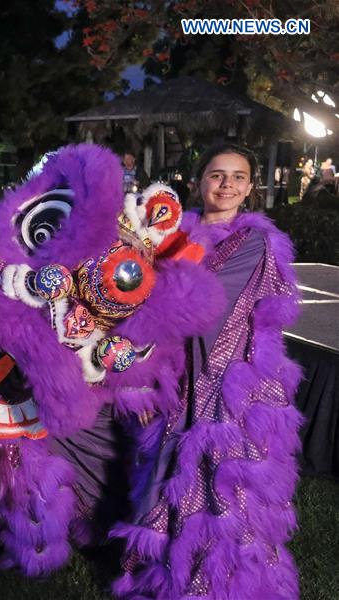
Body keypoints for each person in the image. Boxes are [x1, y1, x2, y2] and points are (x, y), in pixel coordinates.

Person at [114, 143, 303, 599]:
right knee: (167, 478)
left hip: (229, 383)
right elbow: (138, 309)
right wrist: (140, 380)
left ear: (250, 188)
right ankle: (171, 579)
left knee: (225, 488)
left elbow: (204, 300)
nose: (227, 185)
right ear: (198, 182)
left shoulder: (253, 241)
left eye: (238, 177)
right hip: (175, 376)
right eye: (217, 175)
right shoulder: (173, 233)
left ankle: (224, 584)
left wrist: (146, 263)